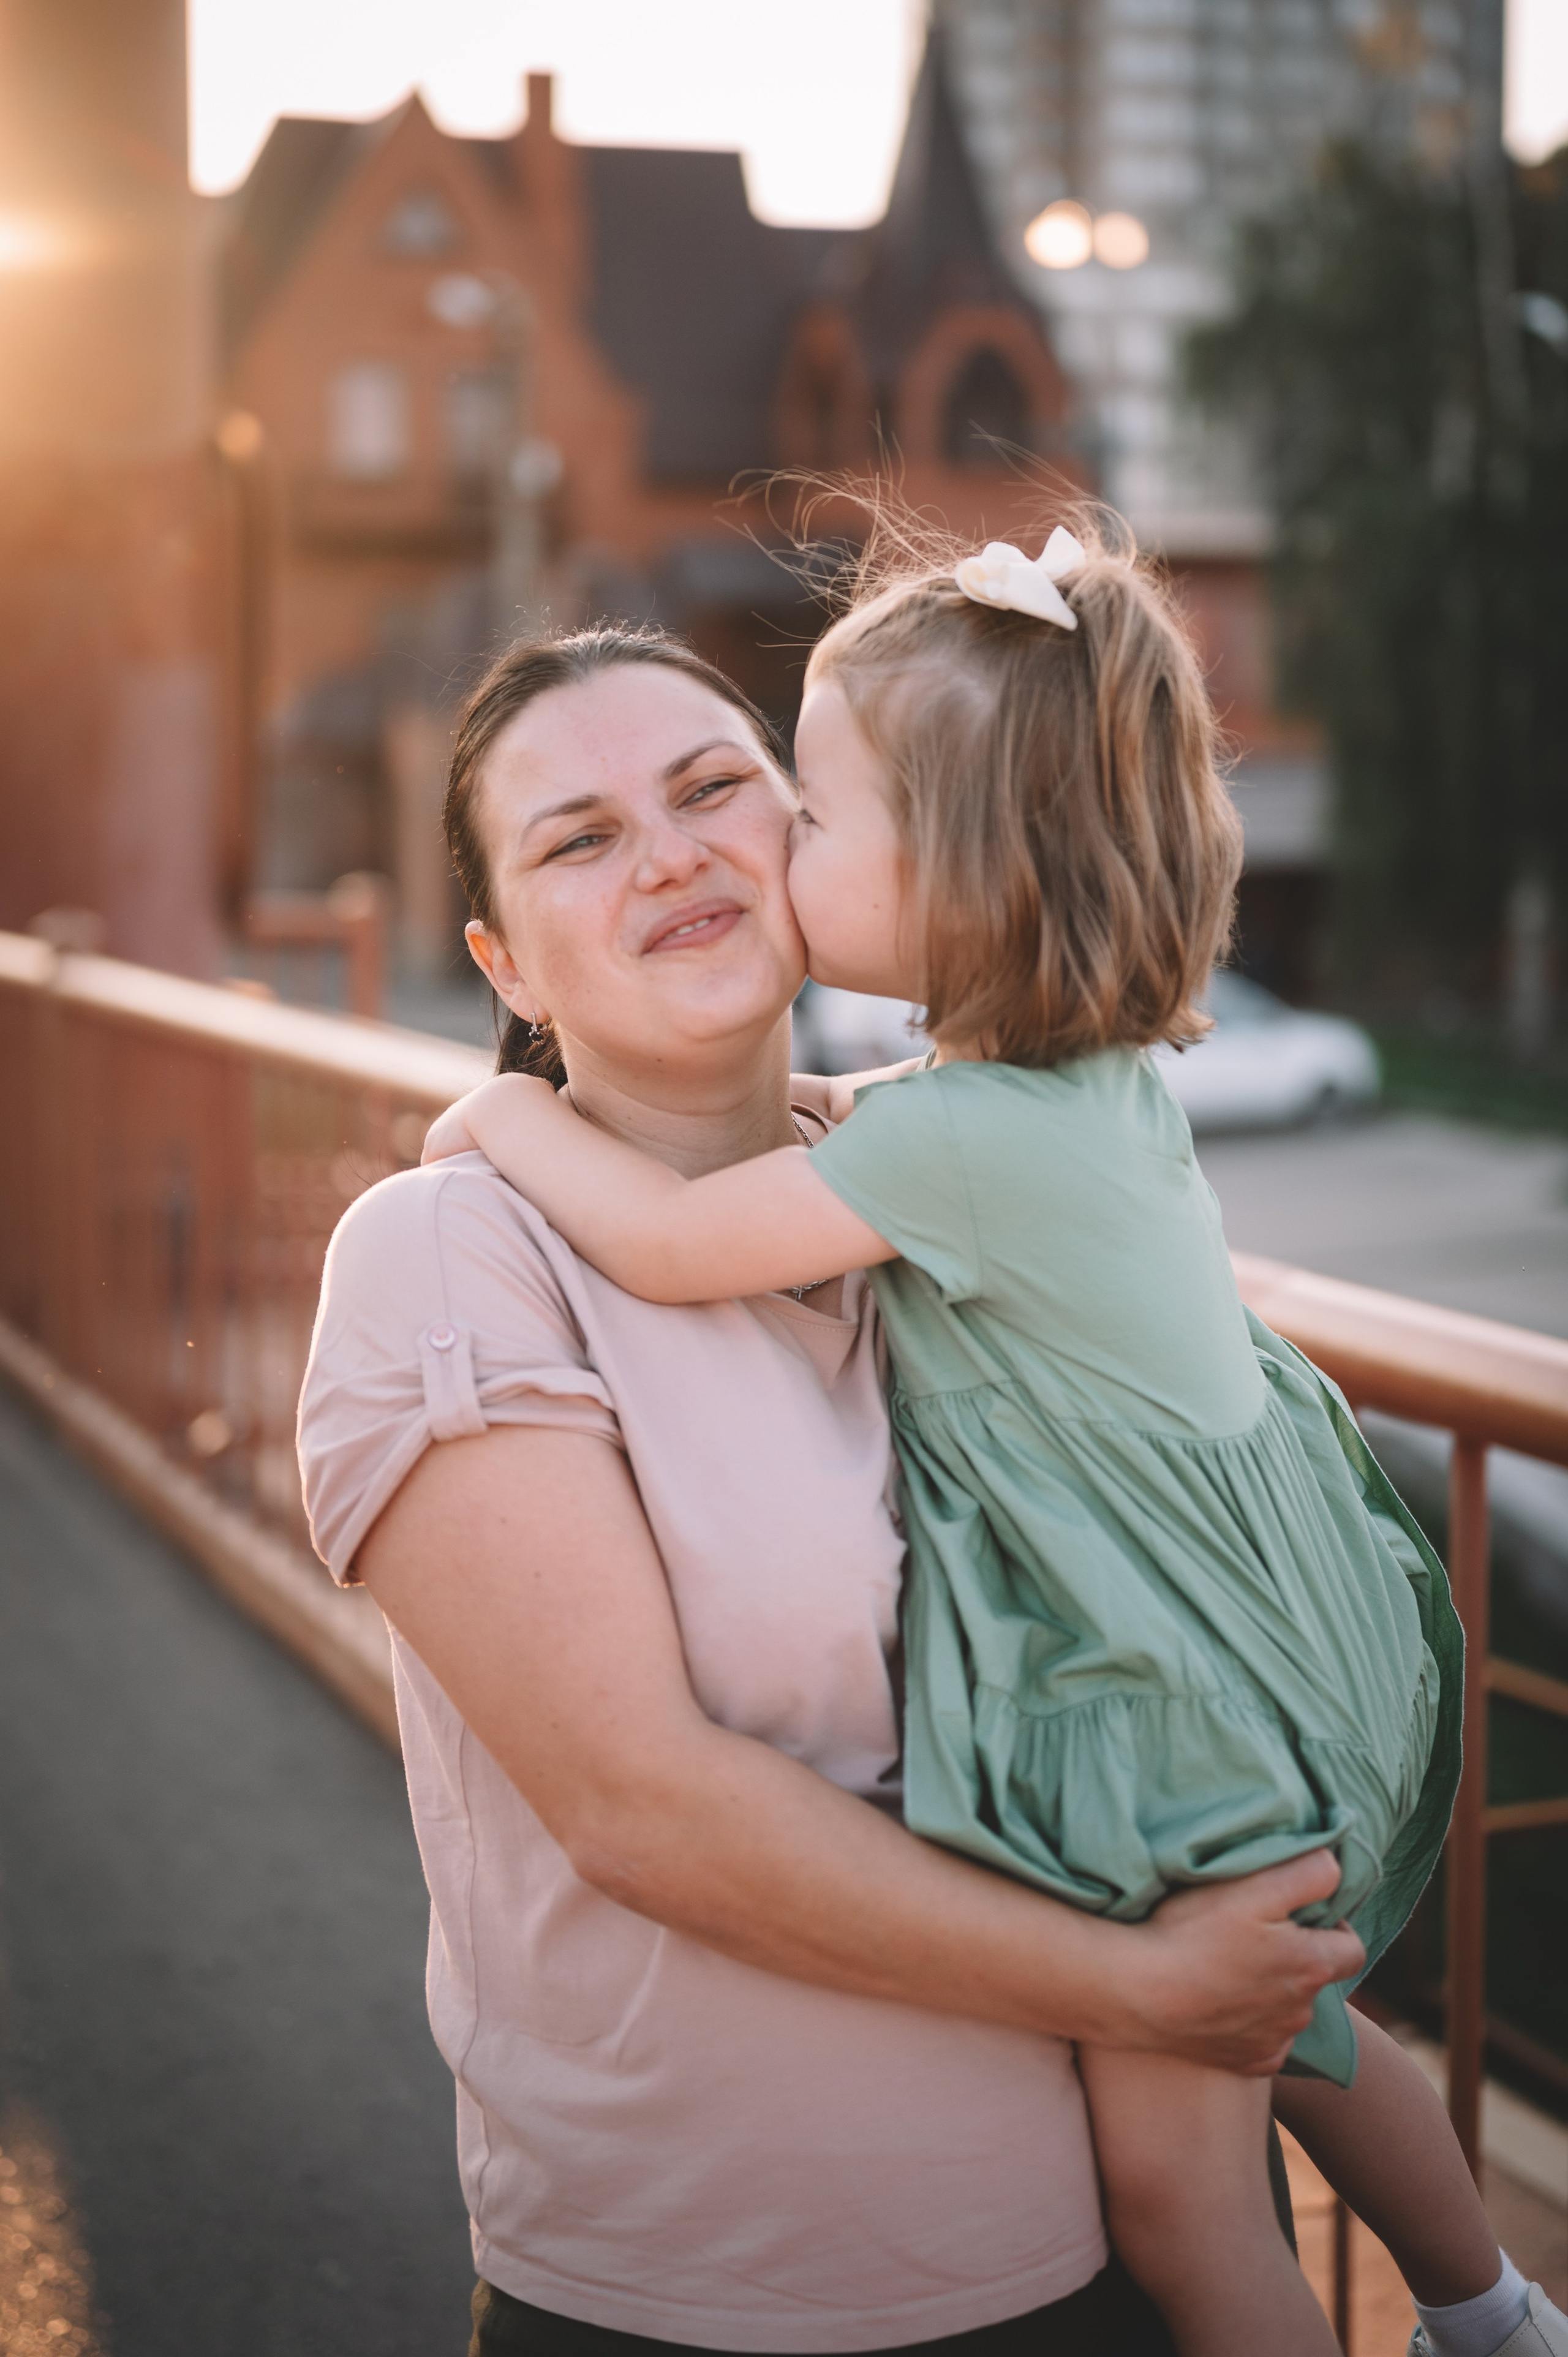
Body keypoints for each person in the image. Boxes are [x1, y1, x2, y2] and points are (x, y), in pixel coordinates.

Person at [424, 527, 1568, 2357]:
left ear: (956, 867)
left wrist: (499, 1113)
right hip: (1262, 1649)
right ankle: (1492, 2311)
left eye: (785, 806)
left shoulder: (941, 1146)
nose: (758, 850)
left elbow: (659, 1238)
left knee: (1189, 2210)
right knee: (1310, 2041)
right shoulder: (1049, 1087)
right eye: (581, 837)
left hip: (1159, 1701)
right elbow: (881, 1132)